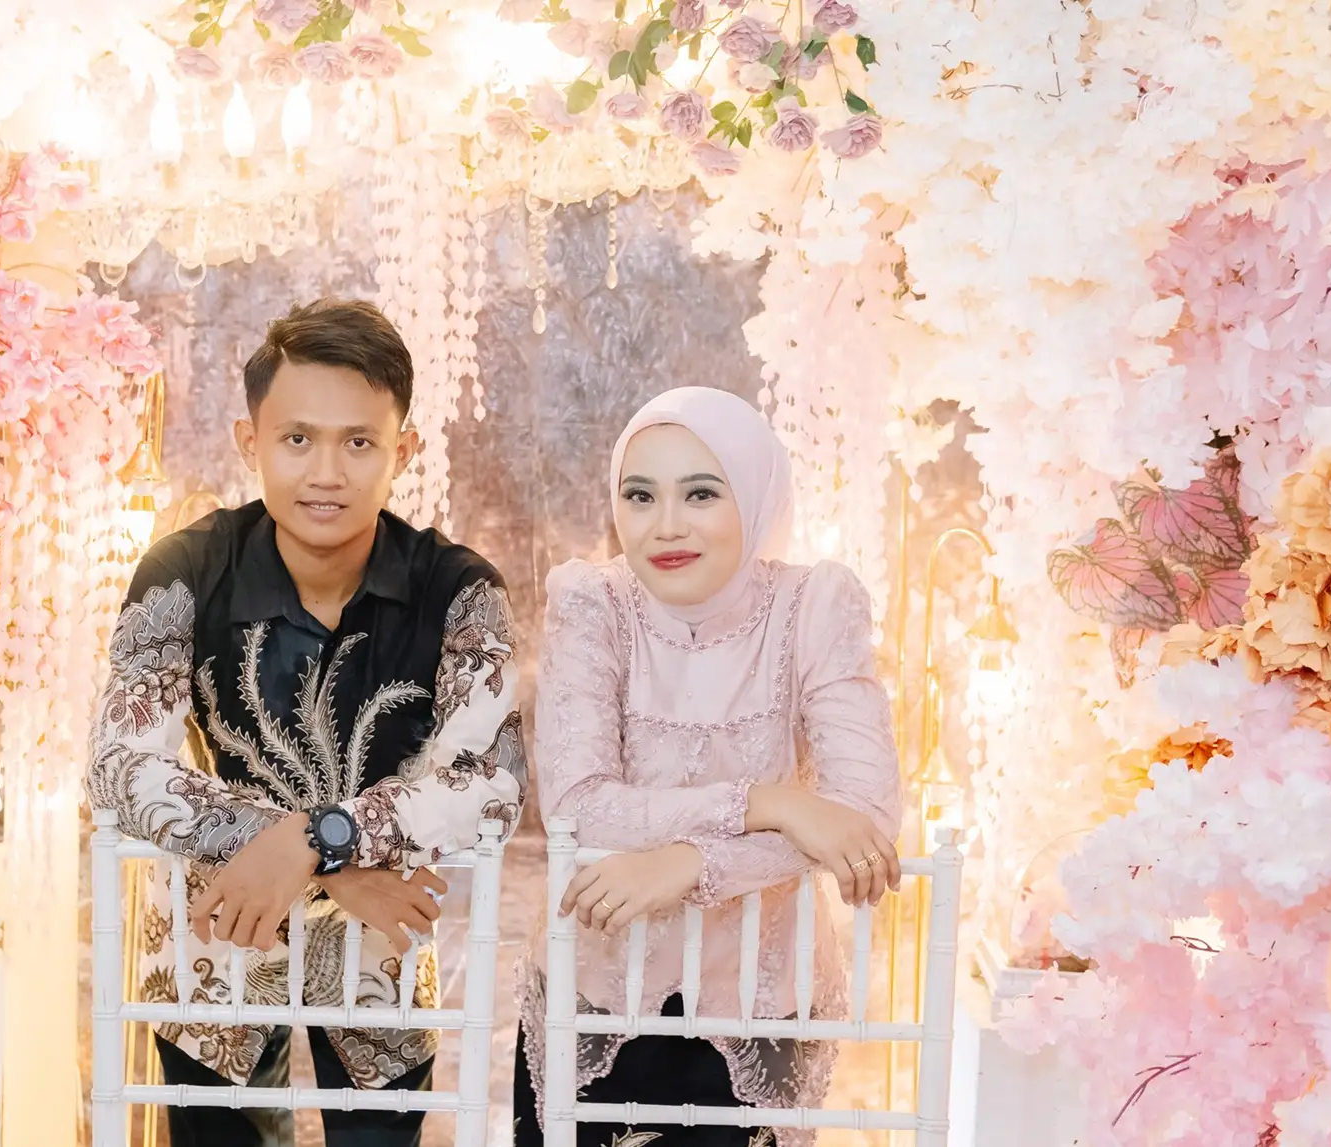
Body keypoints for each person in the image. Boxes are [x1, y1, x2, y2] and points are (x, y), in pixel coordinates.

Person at [87, 298, 527, 1147]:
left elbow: (489, 784)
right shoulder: (182, 569)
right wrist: (317, 855)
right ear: (249, 441)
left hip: (380, 953)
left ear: (403, 451)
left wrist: (319, 841)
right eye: (297, 438)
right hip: (216, 944)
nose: (326, 471)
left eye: (358, 442)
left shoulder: (459, 589)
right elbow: (119, 764)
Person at [513, 387, 902, 1147]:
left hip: (759, 998)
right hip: (599, 986)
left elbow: (864, 814)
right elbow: (578, 806)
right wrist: (773, 803)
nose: (665, 525)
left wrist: (689, 864)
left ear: (753, 494)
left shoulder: (813, 606)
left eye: (700, 493)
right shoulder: (593, 604)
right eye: (640, 495)